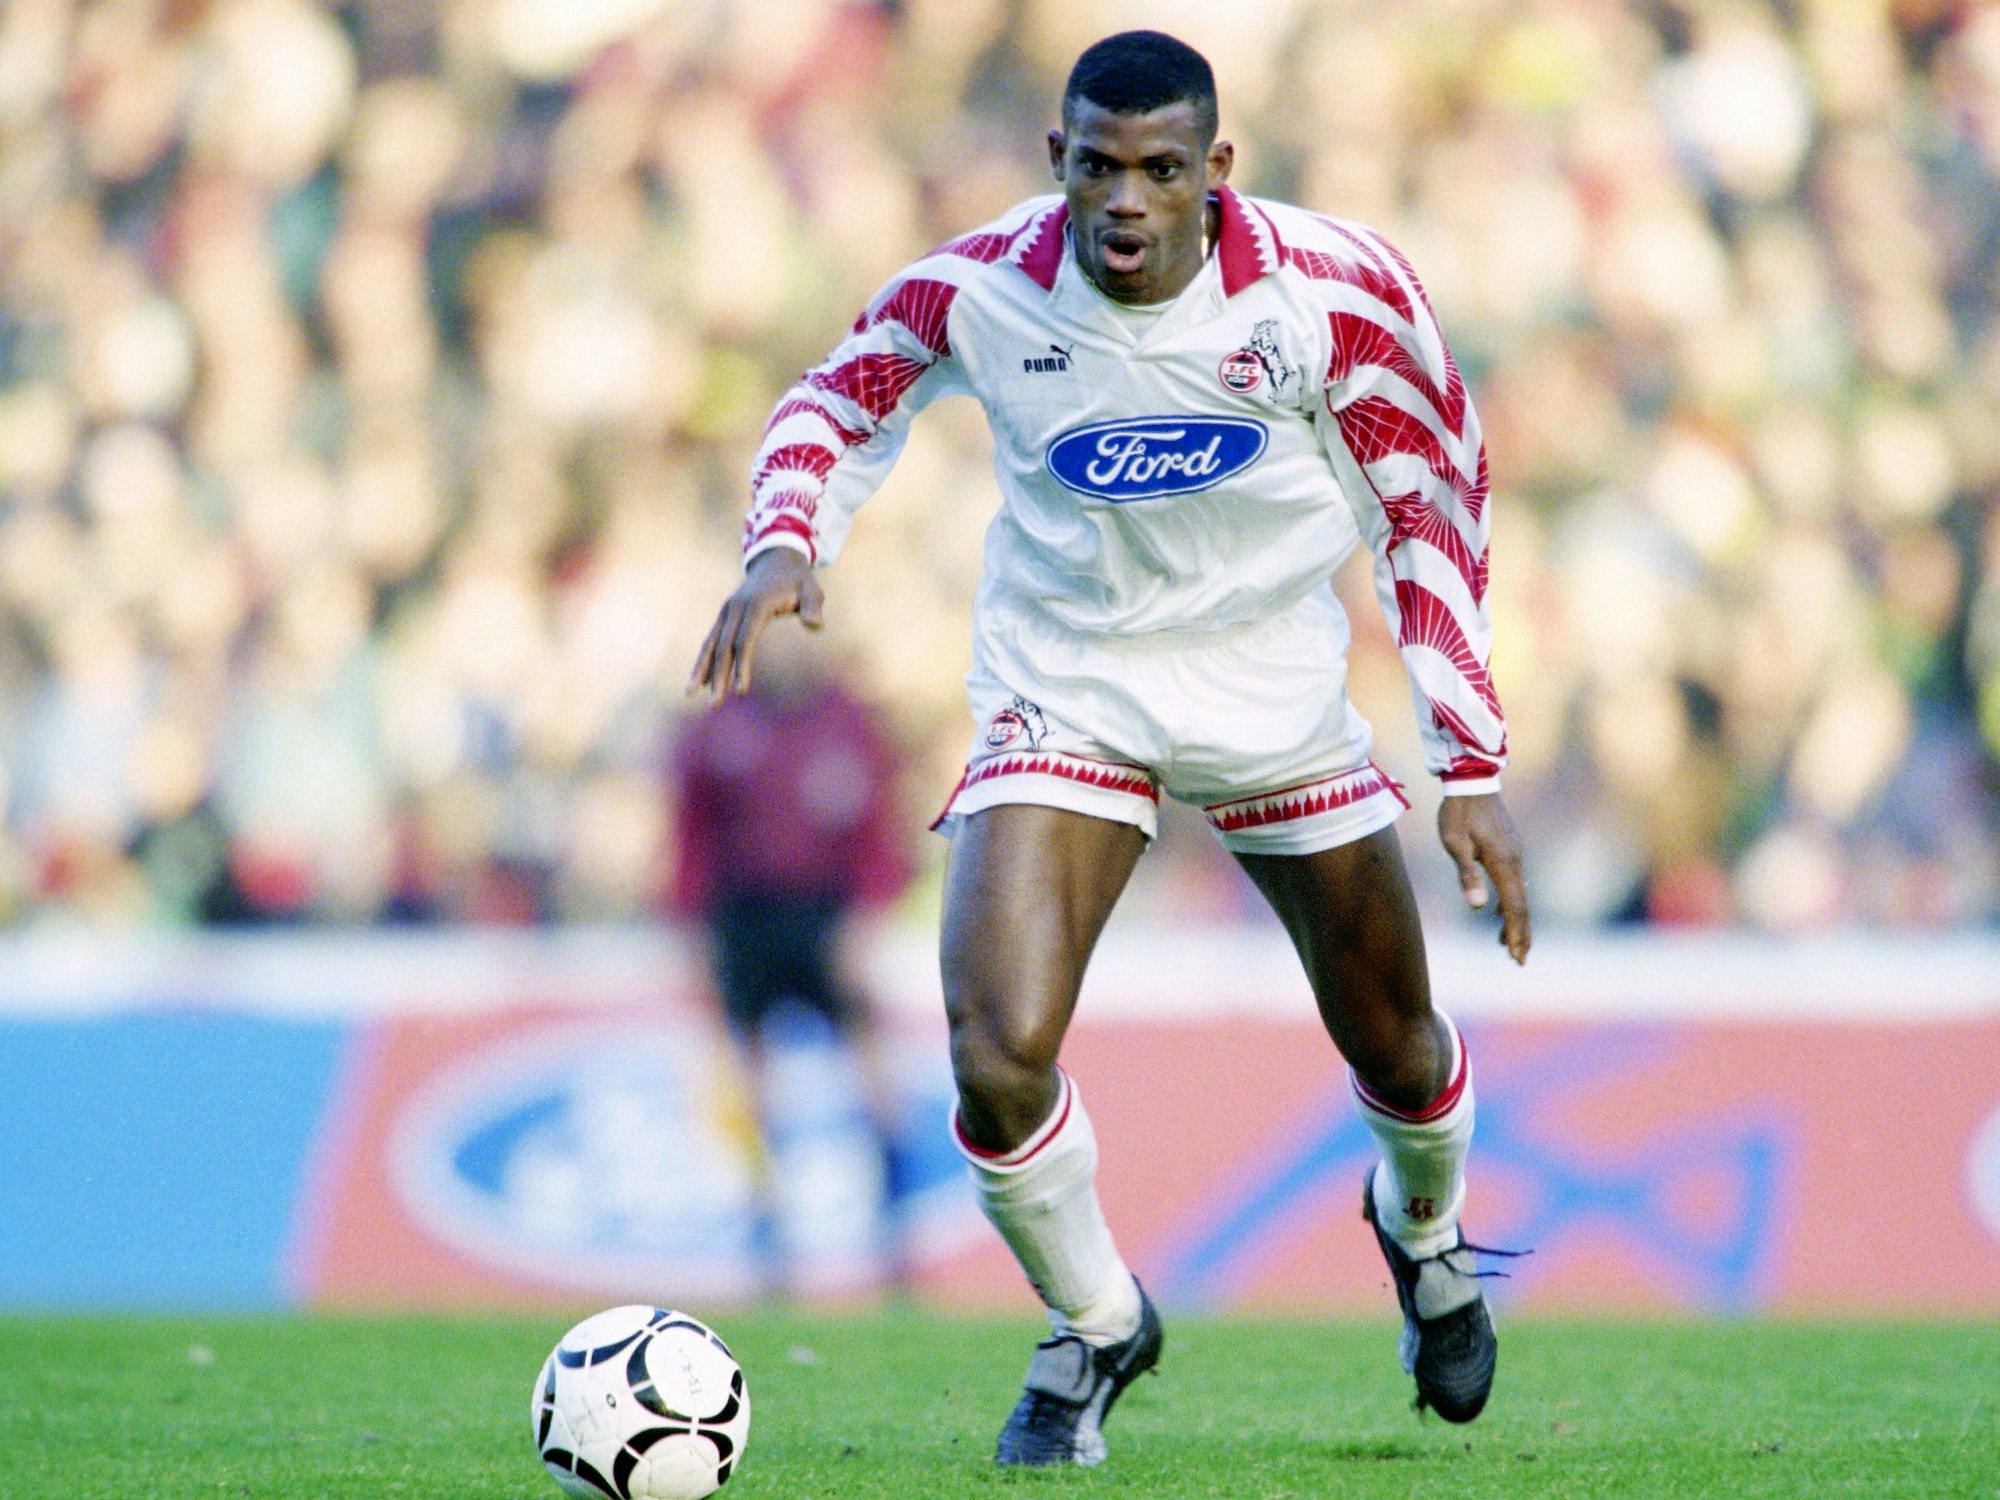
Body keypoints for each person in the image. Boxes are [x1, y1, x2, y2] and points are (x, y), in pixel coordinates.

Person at [688, 29, 1532, 1468]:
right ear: (1056, 164)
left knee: (1398, 1043)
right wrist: (783, 543)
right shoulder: (980, 287)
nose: (1124, 202)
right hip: (1067, 685)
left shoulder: (1335, 294)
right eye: (1096, 167)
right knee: (993, 1058)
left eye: (1157, 170)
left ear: (1217, 168)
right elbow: (840, 396)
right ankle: (1094, 1325)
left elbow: (1427, 506)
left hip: (1273, 688)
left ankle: (1430, 1236)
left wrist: (1470, 761)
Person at [670, 625, 911, 1294]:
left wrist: (866, 915)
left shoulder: (851, 722)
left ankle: (893, 1245)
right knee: (750, 1082)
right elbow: (691, 833)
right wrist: (691, 924)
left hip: (827, 917)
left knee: (872, 1076)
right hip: (743, 918)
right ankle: (768, 1242)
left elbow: (881, 830)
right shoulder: (720, 728)